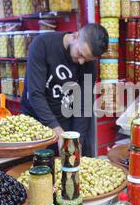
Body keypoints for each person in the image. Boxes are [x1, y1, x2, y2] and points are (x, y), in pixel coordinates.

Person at [21, 23, 109, 154]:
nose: (81, 62)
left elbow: (83, 106)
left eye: (87, 59)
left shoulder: (89, 64)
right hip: (35, 122)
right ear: (75, 36)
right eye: (80, 54)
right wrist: (58, 132)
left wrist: (77, 140)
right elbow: (35, 94)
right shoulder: (43, 45)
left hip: (65, 121)